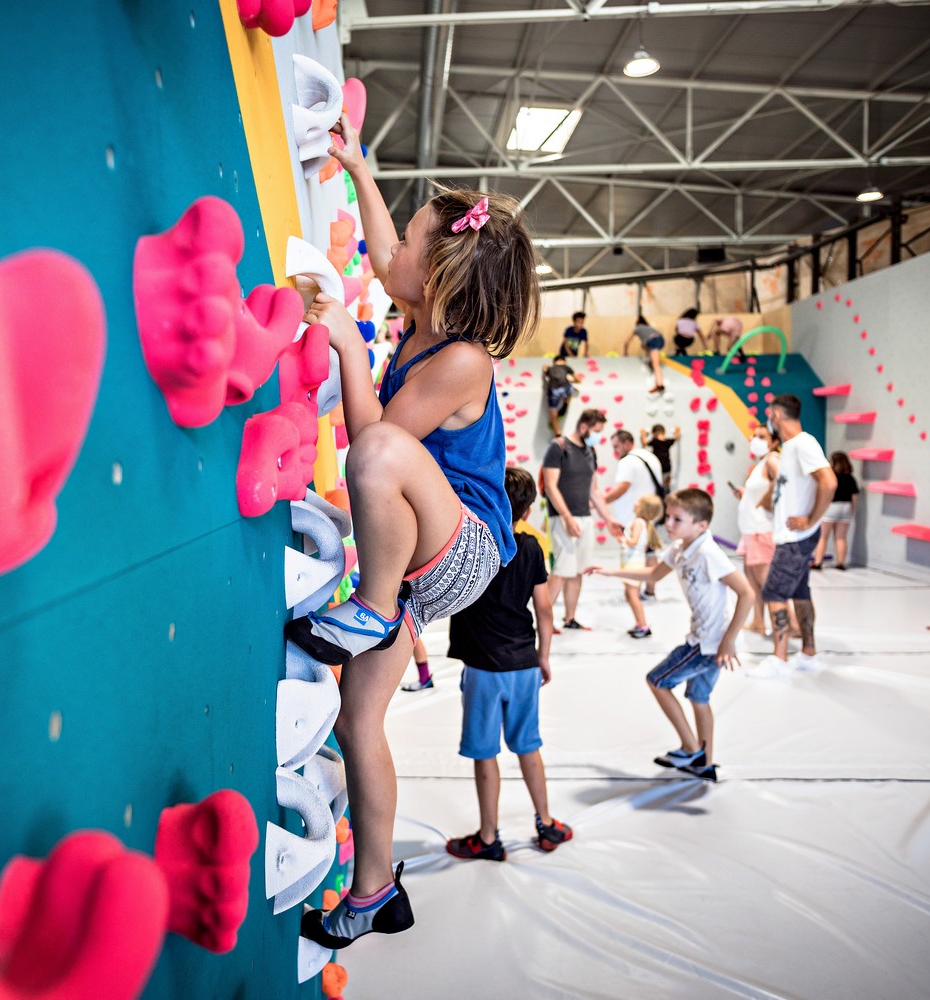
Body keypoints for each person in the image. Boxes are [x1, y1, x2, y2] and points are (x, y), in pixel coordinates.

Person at [291, 110, 540, 952]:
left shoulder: (461, 358)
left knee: (383, 450)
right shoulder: (425, 318)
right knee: (359, 718)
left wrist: (347, 352)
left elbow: (375, 447)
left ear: (429, 281)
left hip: (462, 547)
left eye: (405, 250)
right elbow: (387, 243)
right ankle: (374, 894)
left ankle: (371, 605)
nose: (384, 254)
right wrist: (359, 173)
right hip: (417, 555)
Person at [444, 468, 575, 861]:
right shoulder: (531, 549)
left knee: (486, 754)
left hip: (483, 668)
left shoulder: (471, 547)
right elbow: (546, 610)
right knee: (529, 746)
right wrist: (544, 656)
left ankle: (488, 838)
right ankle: (547, 822)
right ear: (529, 511)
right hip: (523, 664)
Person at [585, 489, 752, 782]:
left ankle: (691, 748)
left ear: (701, 526)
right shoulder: (679, 548)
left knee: (657, 680)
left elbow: (746, 593)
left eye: (678, 519)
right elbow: (652, 576)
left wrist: (728, 640)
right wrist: (610, 572)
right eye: (669, 517)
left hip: (708, 643)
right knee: (699, 698)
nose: (670, 524)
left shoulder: (708, 553)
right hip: (706, 637)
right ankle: (705, 761)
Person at [751, 394, 835, 675]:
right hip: (791, 536)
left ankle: (779, 658)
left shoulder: (803, 443)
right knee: (800, 592)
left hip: (795, 538)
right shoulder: (789, 448)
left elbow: (829, 481)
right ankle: (808, 654)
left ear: (775, 414)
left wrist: (812, 518)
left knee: (773, 591)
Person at [540, 407, 623, 631]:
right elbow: (550, 486)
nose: (598, 436)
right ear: (584, 426)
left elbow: (594, 492)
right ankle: (544, 621)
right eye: (596, 430)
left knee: (578, 570)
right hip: (562, 518)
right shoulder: (558, 447)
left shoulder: (590, 451)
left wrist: (609, 519)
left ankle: (570, 618)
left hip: (585, 518)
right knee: (560, 572)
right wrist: (567, 517)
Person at [603, 429, 666, 608]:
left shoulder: (628, 461)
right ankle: (650, 591)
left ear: (626, 443)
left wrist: (600, 501)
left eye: (616, 446)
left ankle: (633, 591)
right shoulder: (650, 457)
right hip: (650, 515)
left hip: (633, 518)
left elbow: (622, 487)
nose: (615, 451)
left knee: (634, 557)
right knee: (651, 551)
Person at [730, 424, 778, 634]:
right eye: (755, 436)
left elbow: (781, 481)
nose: (756, 440)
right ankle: (758, 621)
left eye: (762, 436)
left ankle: (787, 625)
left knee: (767, 582)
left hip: (761, 529)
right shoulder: (760, 464)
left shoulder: (773, 459)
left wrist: (766, 502)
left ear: (774, 441)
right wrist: (746, 496)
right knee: (752, 581)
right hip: (750, 529)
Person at [619, 495, 664, 638]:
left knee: (632, 595)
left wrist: (622, 537)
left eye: (637, 502)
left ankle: (643, 625)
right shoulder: (644, 524)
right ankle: (639, 623)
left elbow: (633, 541)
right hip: (634, 562)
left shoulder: (638, 522)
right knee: (630, 593)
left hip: (633, 563)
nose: (634, 503)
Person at [812, 451, 858, 570]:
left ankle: (818, 562)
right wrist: (852, 510)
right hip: (846, 507)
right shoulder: (850, 478)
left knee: (823, 536)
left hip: (832, 507)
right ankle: (840, 563)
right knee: (841, 537)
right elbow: (855, 496)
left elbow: (825, 492)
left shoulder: (831, 477)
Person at [624, 315, 668, 394]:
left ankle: (659, 384)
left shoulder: (637, 328)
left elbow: (627, 341)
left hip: (653, 340)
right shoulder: (648, 328)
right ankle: (651, 359)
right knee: (643, 345)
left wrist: (625, 352)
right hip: (661, 339)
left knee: (656, 364)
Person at [542, 353, 578, 436]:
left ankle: (558, 433)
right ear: (564, 361)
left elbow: (545, 371)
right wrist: (571, 380)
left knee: (553, 414)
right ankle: (566, 403)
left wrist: (545, 369)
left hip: (553, 390)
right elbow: (578, 379)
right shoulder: (566, 367)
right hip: (565, 387)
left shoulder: (551, 368)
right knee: (571, 389)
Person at [641, 423, 680, 492]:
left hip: (657, 466)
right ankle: (667, 493)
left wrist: (643, 434)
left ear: (653, 434)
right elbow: (676, 438)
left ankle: (660, 495)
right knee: (666, 485)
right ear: (664, 433)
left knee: (657, 485)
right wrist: (677, 430)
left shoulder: (655, 441)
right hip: (667, 466)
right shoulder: (667, 441)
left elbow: (645, 443)